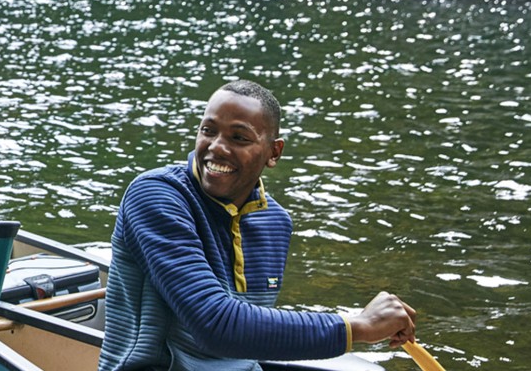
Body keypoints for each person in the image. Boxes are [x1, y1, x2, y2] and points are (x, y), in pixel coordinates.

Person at [99, 80, 417, 371]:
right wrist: (356, 326)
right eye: (208, 130)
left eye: (239, 137)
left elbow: (249, 336)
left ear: (273, 152)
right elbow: (215, 324)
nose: (217, 147)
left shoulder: (275, 221)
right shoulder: (156, 196)